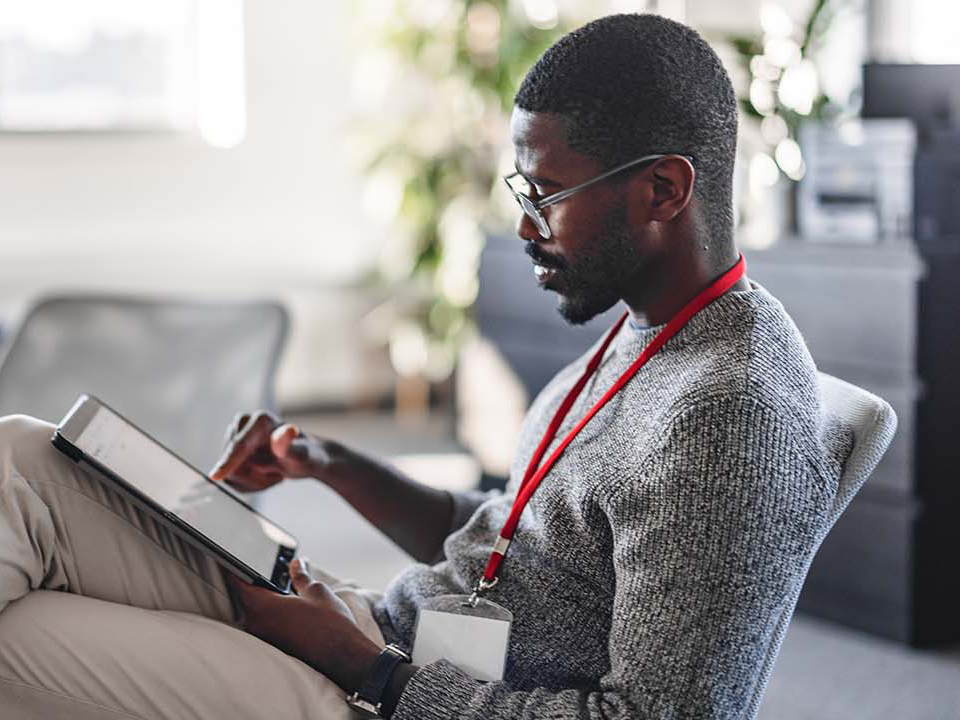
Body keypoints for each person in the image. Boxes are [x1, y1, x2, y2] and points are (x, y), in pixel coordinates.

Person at [0, 13, 852, 720]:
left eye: (544, 195)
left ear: (664, 191)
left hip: (376, 692)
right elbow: (517, 540)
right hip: (371, 630)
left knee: (22, 638)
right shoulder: (647, 324)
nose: (525, 228)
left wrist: (366, 668)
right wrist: (328, 465)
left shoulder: (731, 409)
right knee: (23, 457)